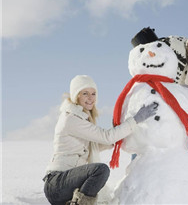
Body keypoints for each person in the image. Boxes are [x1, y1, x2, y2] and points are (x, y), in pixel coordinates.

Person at [43, 75, 158, 205]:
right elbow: (106, 136)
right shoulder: (71, 119)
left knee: (99, 174)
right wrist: (136, 119)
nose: (90, 98)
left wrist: (117, 140)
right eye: (85, 93)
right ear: (76, 96)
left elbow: (98, 144)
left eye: (93, 93)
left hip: (66, 186)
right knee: (100, 170)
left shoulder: (81, 118)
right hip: (57, 184)